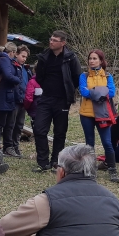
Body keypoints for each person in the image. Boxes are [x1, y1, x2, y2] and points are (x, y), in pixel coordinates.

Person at [31, 31, 83, 172]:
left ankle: (56, 161)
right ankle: (43, 162)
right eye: (51, 39)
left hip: (62, 100)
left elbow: (77, 77)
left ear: (63, 43)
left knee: (60, 132)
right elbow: (39, 77)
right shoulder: (44, 57)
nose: (51, 42)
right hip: (46, 98)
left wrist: (68, 90)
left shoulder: (70, 58)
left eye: (55, 40)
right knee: (39, 129)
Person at [78, 49, 119, 184]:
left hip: (103, 114)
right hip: (86, 114)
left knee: (107, 143)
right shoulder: (84, 75)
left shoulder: (108, 76)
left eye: (95, 58)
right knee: (89, 143)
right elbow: (83, 91)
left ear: (101, 61)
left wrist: (94, 93)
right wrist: (101, 93)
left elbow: (112, 92)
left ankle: (112, 169)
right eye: (90, 58)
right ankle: (89, 170)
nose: (92, 61)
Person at [7, 45, 32, 156]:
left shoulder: (26, 69)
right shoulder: (12, 66)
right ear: (16, 54)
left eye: (26, 57)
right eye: (22, 56)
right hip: (14, 100)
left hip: (24, 101)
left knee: (19, 125)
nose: (24, 59)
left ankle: (16, 146)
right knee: (11, 124)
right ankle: (8, 146)